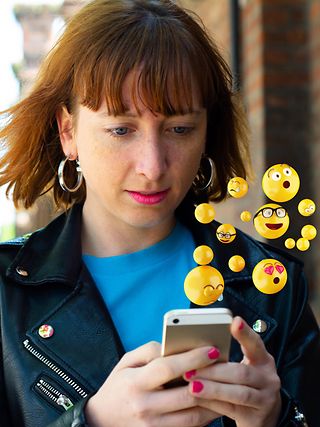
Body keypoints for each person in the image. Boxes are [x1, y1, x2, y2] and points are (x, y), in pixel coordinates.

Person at [0, 0, 319, 426]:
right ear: (68, 131)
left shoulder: (275, 286)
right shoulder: (6, 294)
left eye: (180, 129)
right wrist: (90, 422)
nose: (152, 166)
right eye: (120, 129)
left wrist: (276, 418)